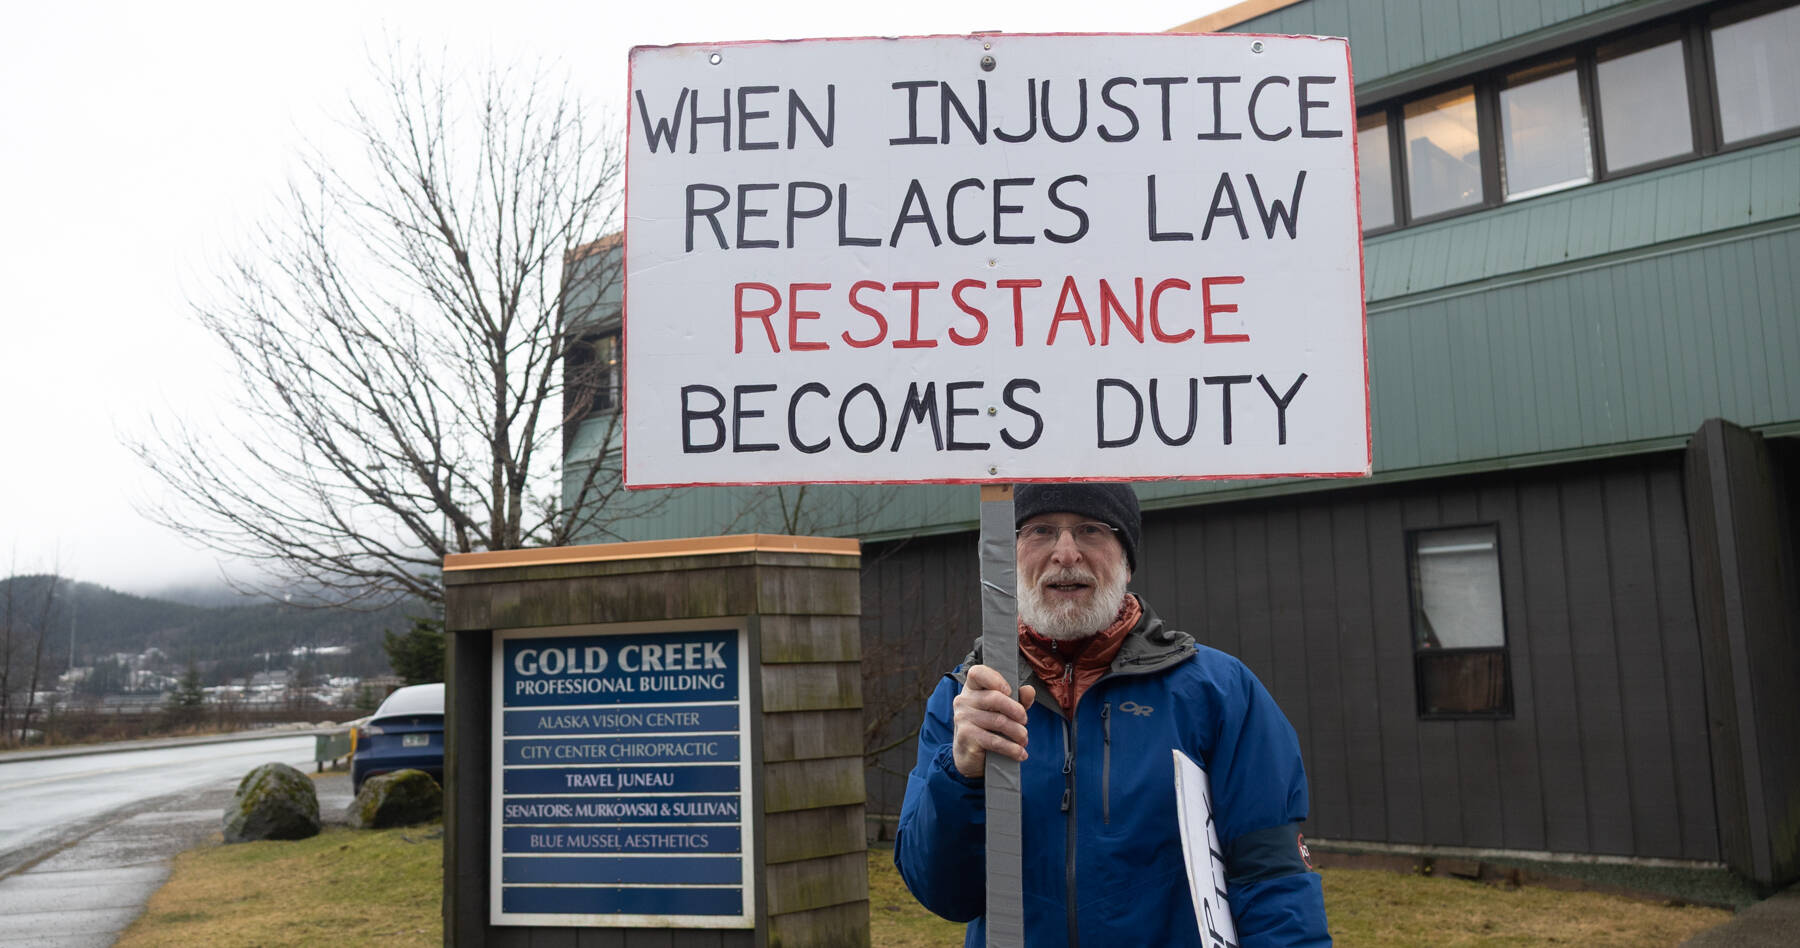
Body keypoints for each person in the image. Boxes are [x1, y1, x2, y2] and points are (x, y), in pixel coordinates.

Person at [894, 482, 1330, 946]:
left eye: (1090, 530)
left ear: (1126, 558)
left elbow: (1271, 878)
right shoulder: (966, 699)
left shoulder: (1217, 692)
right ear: (1010, 555)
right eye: (1040, 530)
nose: (1066, 553)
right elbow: (942, 893)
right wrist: (959, 775)